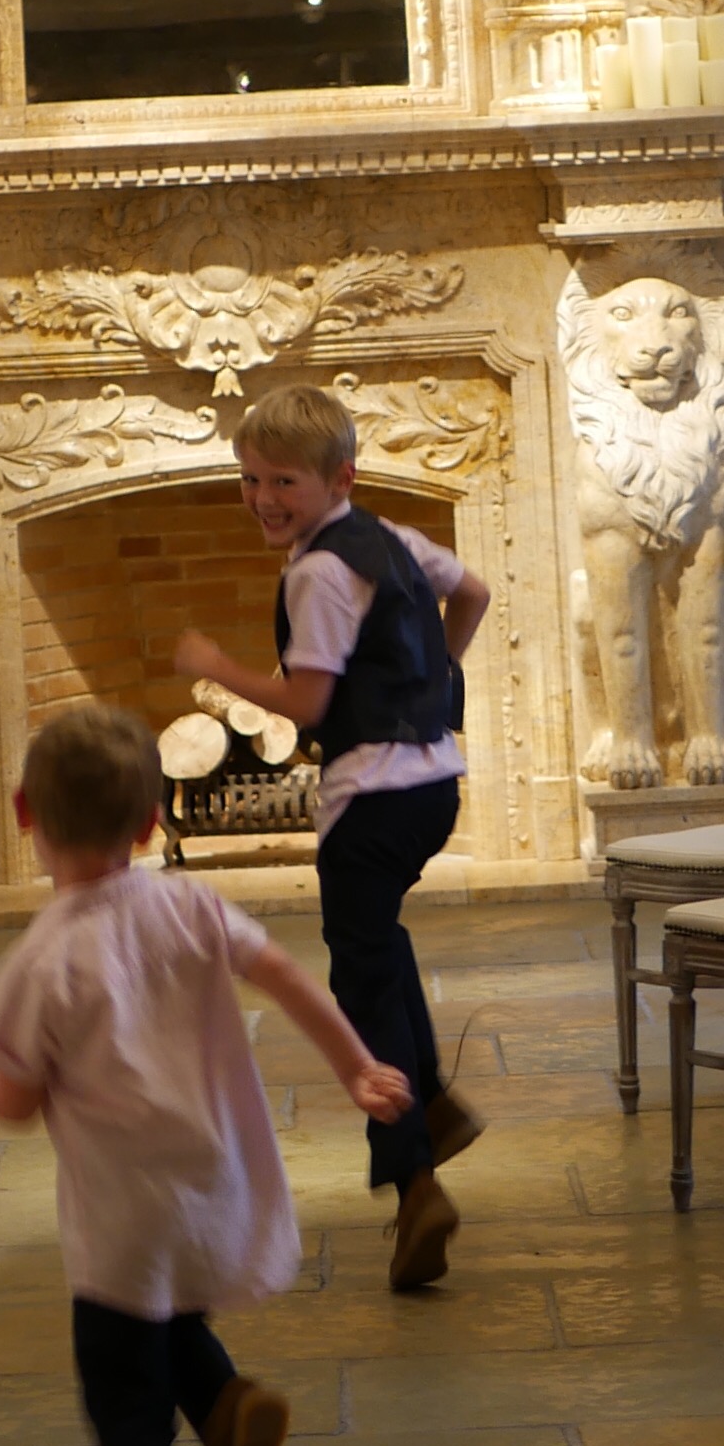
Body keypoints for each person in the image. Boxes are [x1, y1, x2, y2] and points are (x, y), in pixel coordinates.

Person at [0, 700, 407, 1446]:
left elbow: (13, 1102)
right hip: (210, 1179)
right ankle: (227, 1402)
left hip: (118, 1213)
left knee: (123, 1404)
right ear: (151, 823)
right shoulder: (189, 907)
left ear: (23, 812)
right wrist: (357, 1065)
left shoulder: (39, 959)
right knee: (170, 1320)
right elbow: (283, 973)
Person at [174, 381, 492, 1292]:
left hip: (371, 801)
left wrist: (218, 668)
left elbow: (309, 703)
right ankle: (433, 1107)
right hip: (433, 788)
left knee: (361, 984)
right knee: (379, 945)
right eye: (250, 480)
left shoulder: (315, 572)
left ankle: (415, 1181)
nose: (263, 500)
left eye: (284, 482)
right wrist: (435, 674)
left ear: (339, 478)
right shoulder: (392, 538)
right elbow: (472, 591)